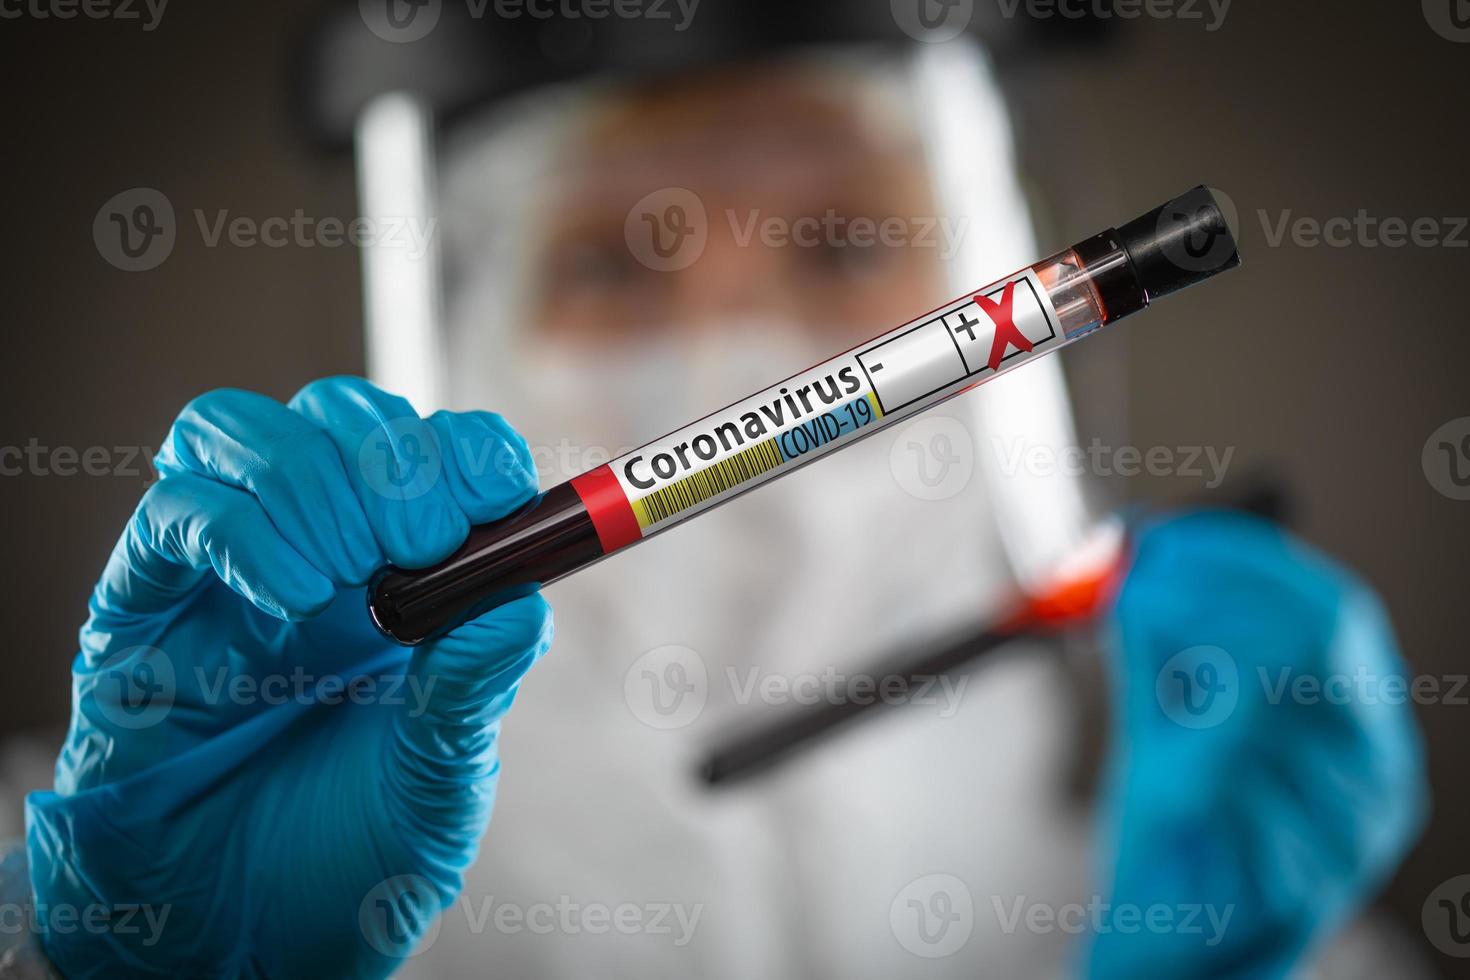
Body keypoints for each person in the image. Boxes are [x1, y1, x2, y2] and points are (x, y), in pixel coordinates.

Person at [7, 4, 1429, 977]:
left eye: (843, 236)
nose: (736, 344)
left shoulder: (1226, 857)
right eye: (615, 264)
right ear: (470, 327)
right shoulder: (115, 844)